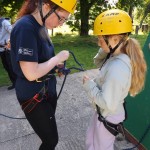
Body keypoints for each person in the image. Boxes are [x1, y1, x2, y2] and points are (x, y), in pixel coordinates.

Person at [10, 0, 77, 150]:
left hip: (46, 89)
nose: (61, 24)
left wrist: (55, 67)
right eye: (61, 18)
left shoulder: (42, 26)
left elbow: (42, 59)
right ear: (46, 6)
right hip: (33, 95)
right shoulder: (25, 27)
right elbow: (31, 73)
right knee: (51, 140)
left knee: (48, 133)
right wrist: (57, 59)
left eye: (65, 20)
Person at [83, 9, 147, 150]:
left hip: (108, 114)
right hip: (103, 112)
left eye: (101, 40)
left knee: (102, 147)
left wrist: (89, 85)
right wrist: (106, 48)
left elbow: (108, 103)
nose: (99, 43)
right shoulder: (114, 55)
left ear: (116, 39)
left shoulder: (118, 69)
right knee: (91, 140)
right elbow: (98, 63)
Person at [0, 17, 16, 90]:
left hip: (7, 49)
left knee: (11, 66)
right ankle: (14, 82)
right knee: (6, 67)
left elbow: (13, 32)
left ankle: (18, 82)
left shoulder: (4, 22)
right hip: (1, 49)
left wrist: (10, 43)